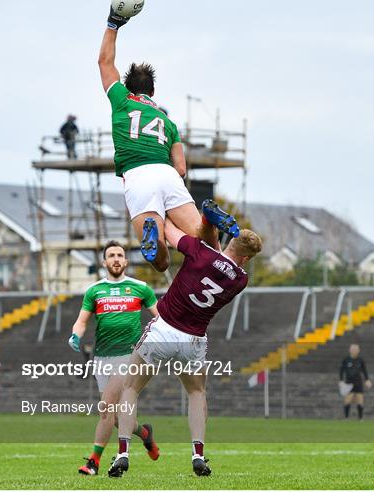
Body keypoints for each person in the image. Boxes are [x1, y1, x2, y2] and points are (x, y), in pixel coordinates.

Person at [107, 200, 262, 478]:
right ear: (247, 259)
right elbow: (221, 262)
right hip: (193, 341)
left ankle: (122, 454)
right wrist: (208, 228)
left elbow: (168, 230)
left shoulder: (199, 252)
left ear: (230, 239)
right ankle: (198, 455)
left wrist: (157, 210)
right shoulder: (241, 279)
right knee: (196, 393)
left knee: (130, 389)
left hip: (163, 329)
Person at [98, 4, 217, 272]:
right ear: (153, 90)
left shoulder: (121, 101)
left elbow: (105, 63)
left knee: (161, 263)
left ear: (128, 88)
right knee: (204, 243)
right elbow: (182, 168)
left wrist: (113, 23)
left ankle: (160, 240)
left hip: (138, 178)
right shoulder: (168, 121)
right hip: (167, 175)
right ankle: (208, 221)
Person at [68, 240, 160, 475]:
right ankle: (145, 433)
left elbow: (160, 318)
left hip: (129, 355)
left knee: (106, 408)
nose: (117, 259)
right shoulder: (94, 290)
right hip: (102, 358)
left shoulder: (140, 288)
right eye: (112, 255)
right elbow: (81, 321)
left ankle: (93, 462)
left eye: (120, 255)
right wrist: (75, 336)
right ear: (104, 262)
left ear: (126, 261)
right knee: (117, 417)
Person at [339, 343, 372, 420]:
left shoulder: (361, 360)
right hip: (348, 383)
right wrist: (340, 380)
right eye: (353, 349)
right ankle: (346, 418)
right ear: (349, 350)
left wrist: (367, 380)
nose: (354, 350)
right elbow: (341, 370)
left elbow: (364, 371)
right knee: (347, 401)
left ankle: (360, 418)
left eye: (356, 349)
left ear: (359, 350)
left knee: (360, 401)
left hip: (358, 383)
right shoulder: (346, 360)